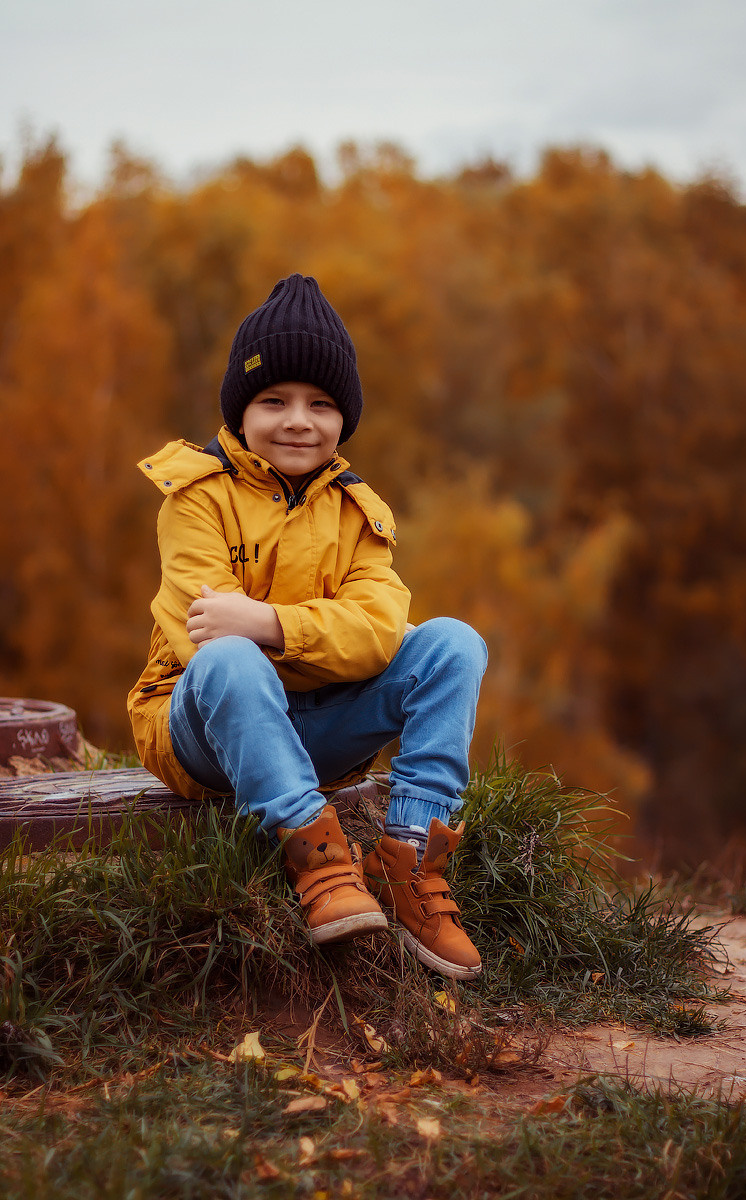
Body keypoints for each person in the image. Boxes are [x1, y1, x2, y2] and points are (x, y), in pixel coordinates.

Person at [128, 274, 488, 979]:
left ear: (344, 419)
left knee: (452, 643)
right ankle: (317, 857)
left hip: (315, 726)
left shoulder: (359, 515)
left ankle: (410, 861)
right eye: (275, 401)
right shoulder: (195, 497)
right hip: (201, 727)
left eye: (321, 405)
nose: (299, 420)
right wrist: (304, 642)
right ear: (240, 411)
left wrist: (267, 622)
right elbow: (203, 639)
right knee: (230, 660)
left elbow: (383, 630)